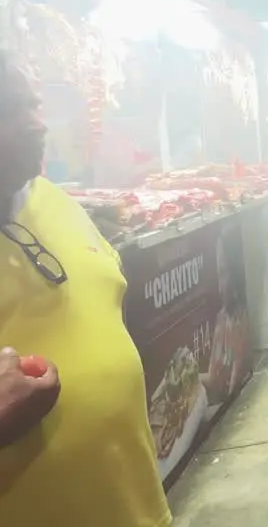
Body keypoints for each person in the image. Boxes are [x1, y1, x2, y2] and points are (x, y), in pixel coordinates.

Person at [0, 50, 169, 525]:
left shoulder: (57, 202)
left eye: (33, 106)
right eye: (9, 110)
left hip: (134, 509)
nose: (37, 124)